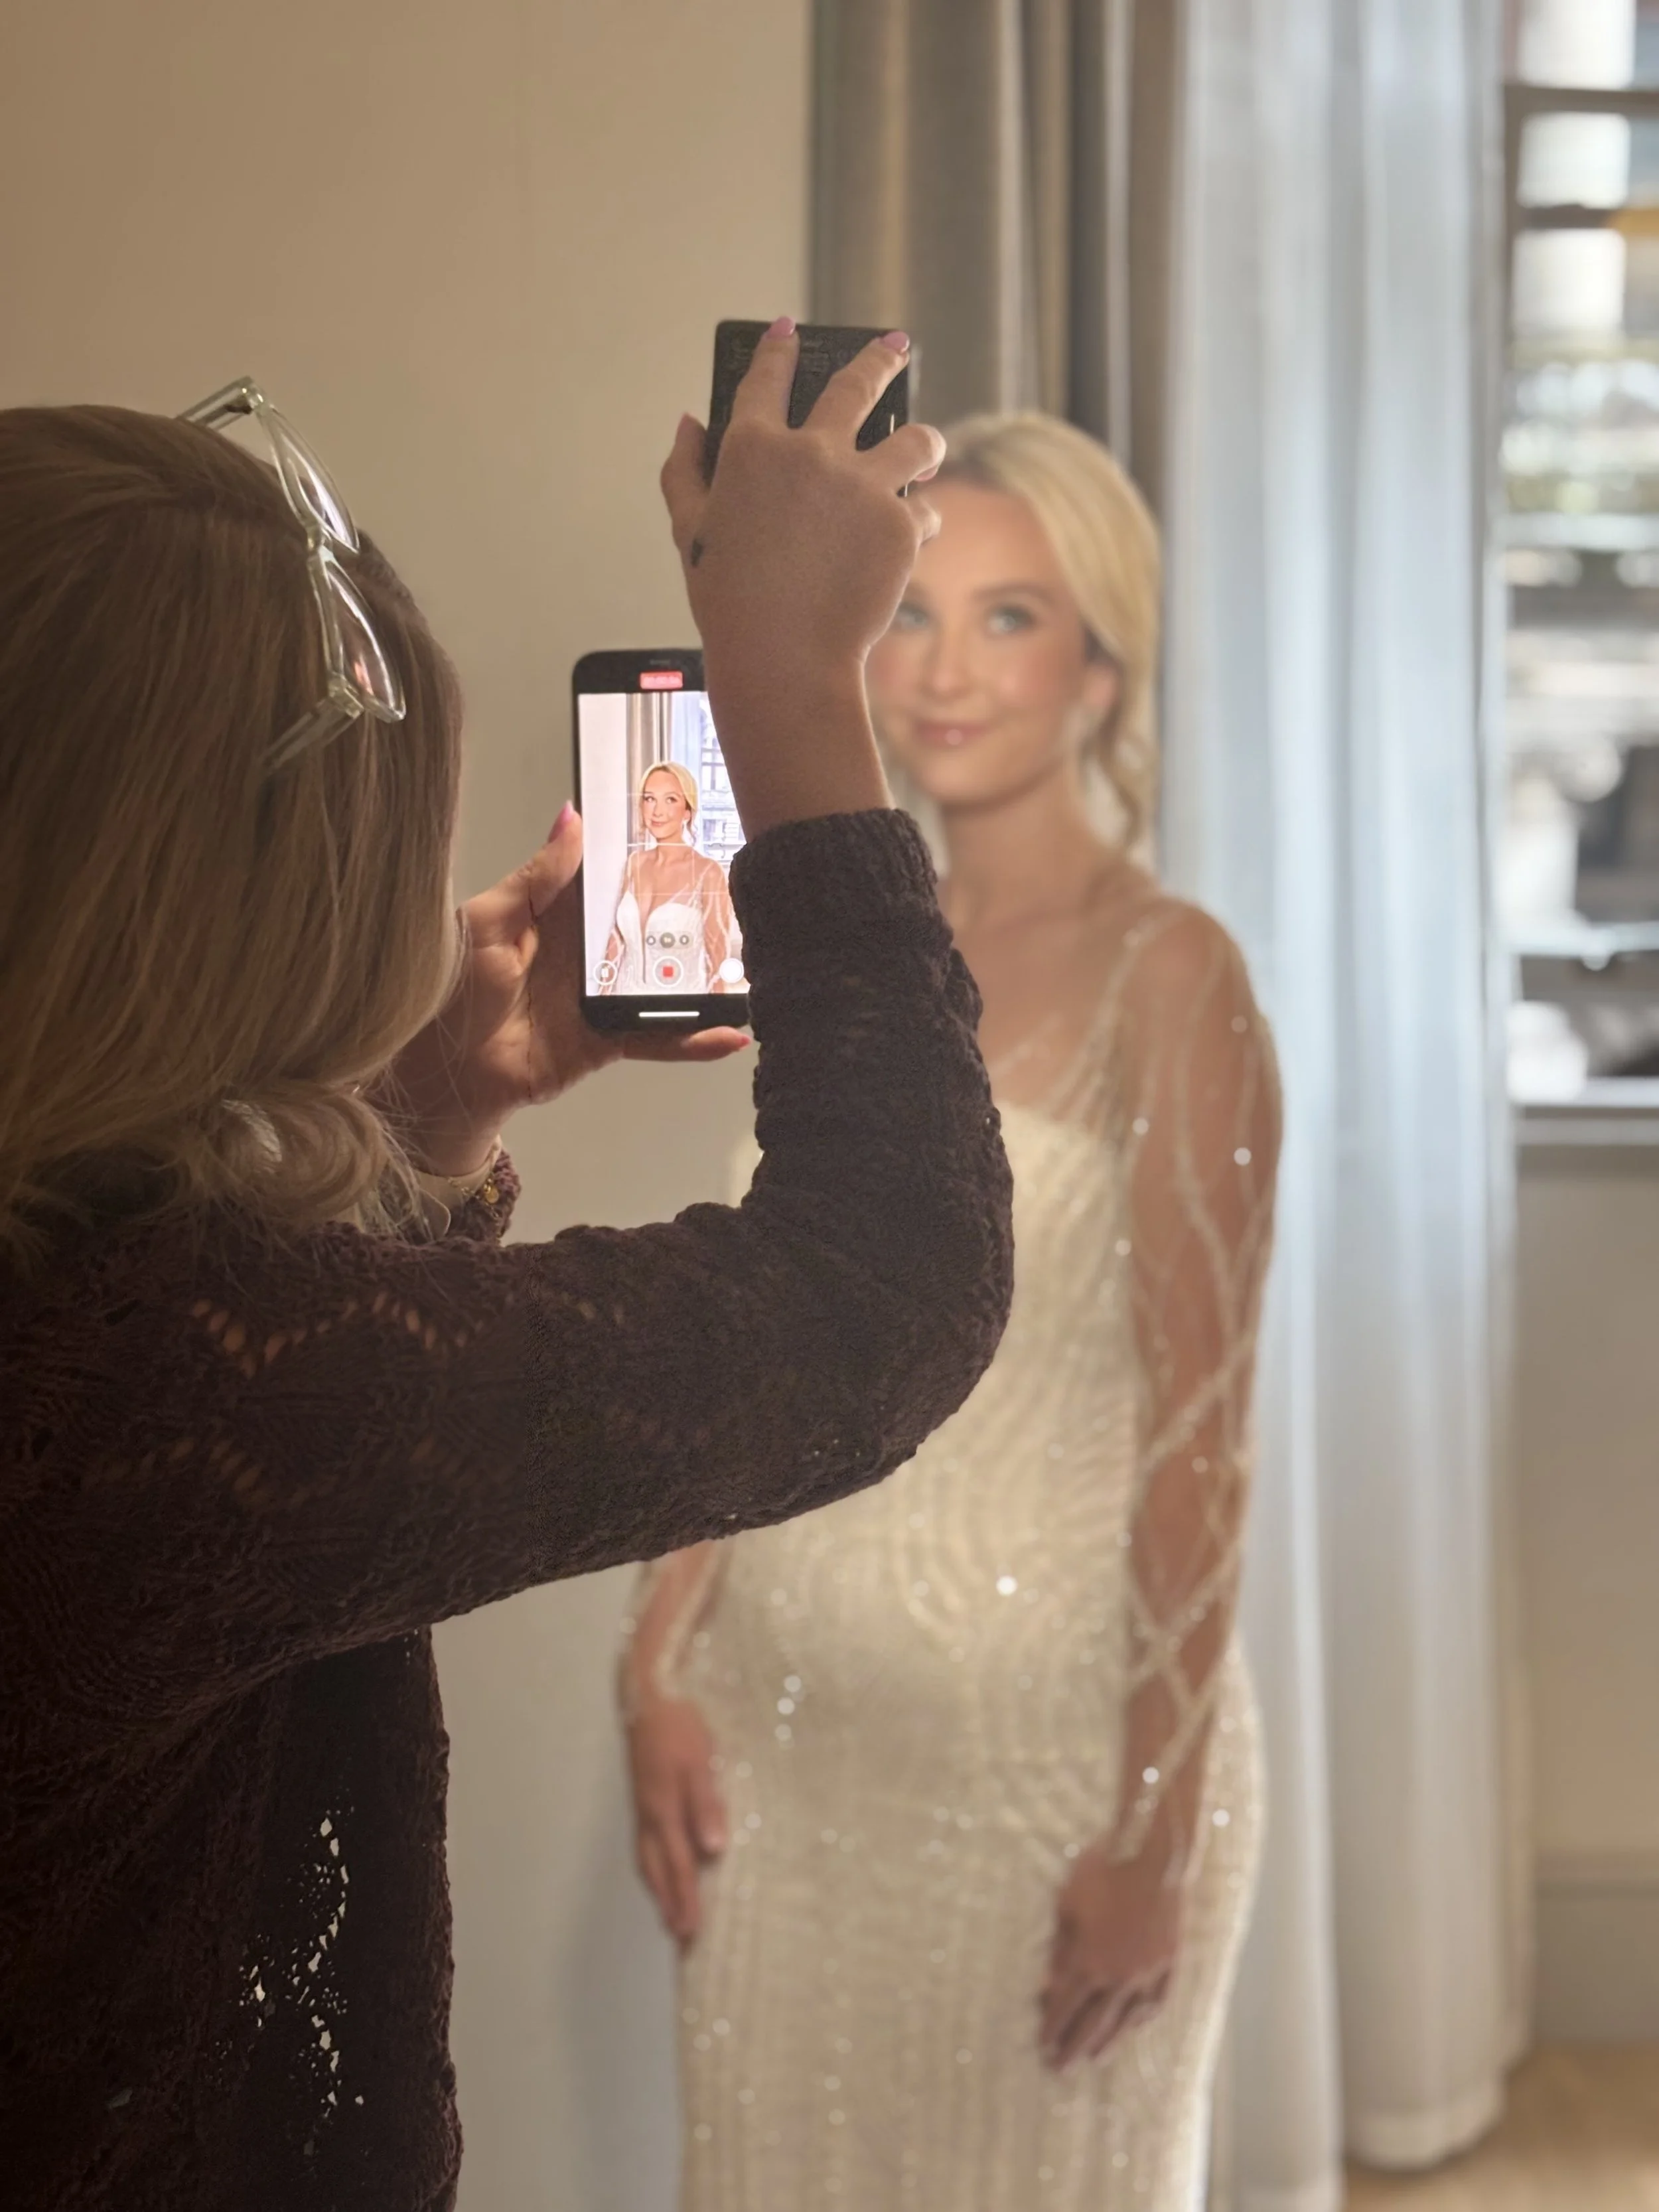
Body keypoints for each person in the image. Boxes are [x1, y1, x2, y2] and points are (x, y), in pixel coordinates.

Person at [0, 325, 1014, 2212]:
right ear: (263, 909)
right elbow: (879, 1294)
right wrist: (789, 697)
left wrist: (425, 1115)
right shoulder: (139, 1399)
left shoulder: (97, 1306)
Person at [622, 411, 1281, 2211]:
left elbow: (1200, 1431)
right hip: (777, 1748)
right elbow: (775, 1312)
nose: (943, 666)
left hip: (1054, 1782)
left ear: (1102, 666)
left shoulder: (1176, 974)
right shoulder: (839, 949)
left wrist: (1150, 1827)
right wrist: (655, 1652)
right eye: (915, 612)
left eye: (1012, 617)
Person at [599, 761, 742, 993]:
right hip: (625, 1004)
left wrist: (715, 1019)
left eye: (671, 800)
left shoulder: (707, 872)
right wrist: (603, 1001)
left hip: (684, 1006)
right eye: (649, 799)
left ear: (687, 811)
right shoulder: (634, 864)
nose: (657, 811)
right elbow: (616, 942)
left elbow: (717, 962)